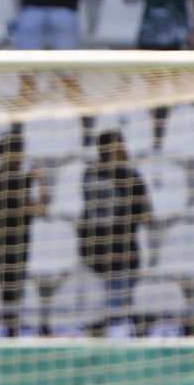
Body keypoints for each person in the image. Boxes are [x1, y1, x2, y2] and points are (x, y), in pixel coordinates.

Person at [78, 129, 151, 320]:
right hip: (119, 253)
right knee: (117, 313)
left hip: (97, 252)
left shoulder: (89, 174)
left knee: (109, 310)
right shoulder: (131, 176)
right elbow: (146, 217)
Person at [0, 130, 49, 335]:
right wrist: (40, 180)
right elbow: (36, 208)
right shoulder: (4, 181)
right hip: (6, 246)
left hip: (13, 244)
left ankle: (10, 330)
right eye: (19, 151)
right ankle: (10, 332)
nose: (22, 155)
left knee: (11, 294)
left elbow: (37, 209)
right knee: (10, 293)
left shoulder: (5, 178)